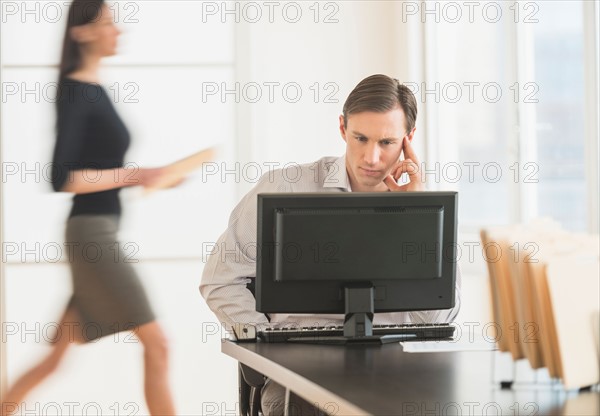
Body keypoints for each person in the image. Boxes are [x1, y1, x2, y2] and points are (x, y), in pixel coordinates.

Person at [200, 74, 462, 415]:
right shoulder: (285, 188)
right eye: (360, 138)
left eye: (386, 142)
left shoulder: (426, 209)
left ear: (408, 139)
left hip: (396, 366)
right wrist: (269, 348)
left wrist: (415, 218)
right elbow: (220, 280)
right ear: (342, 128)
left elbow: (439, 317)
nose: (371, 157)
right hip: (301, 368)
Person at [0, 1, 176, 415]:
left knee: (56, 355)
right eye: (109, 23)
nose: (119, 31)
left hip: (99, 230)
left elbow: (102, 171)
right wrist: (134, 175)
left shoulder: (93, 88)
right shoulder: (76, 90)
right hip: (91, 235)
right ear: (82, 33)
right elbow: (61, 176)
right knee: (157, 342)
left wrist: (148, 177)